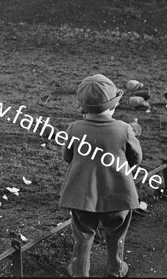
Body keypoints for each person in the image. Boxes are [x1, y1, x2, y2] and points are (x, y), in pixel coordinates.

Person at [60, 74, 142, 278]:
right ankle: (115, 268)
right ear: (113, 106)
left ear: (83, 108)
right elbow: (136, 158)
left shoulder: (74, 129)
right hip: (118, 193)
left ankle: (80, 271)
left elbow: (67, 156)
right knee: (116, 233)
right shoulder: (124, 129)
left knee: (83, 234)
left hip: (82, 194)